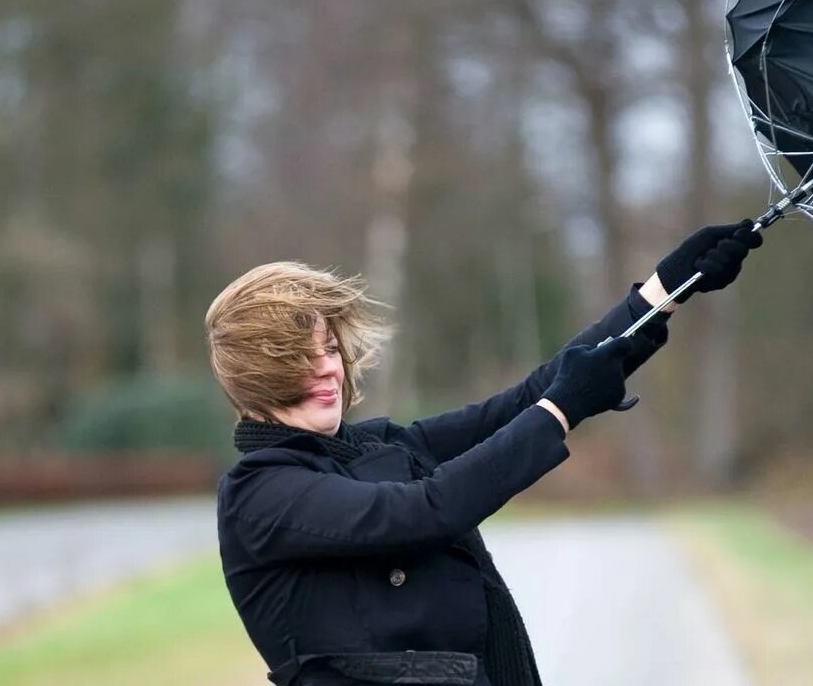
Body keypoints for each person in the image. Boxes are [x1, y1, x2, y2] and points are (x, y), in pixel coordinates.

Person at [206, 220, 763, 686]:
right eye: (300, 359)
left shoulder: (377, 446)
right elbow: (424, 511)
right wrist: (559, 412)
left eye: (329, 349)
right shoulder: (259, 495)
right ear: (259, 376)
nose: (328, 367)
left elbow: (523, 400)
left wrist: (661, 294)